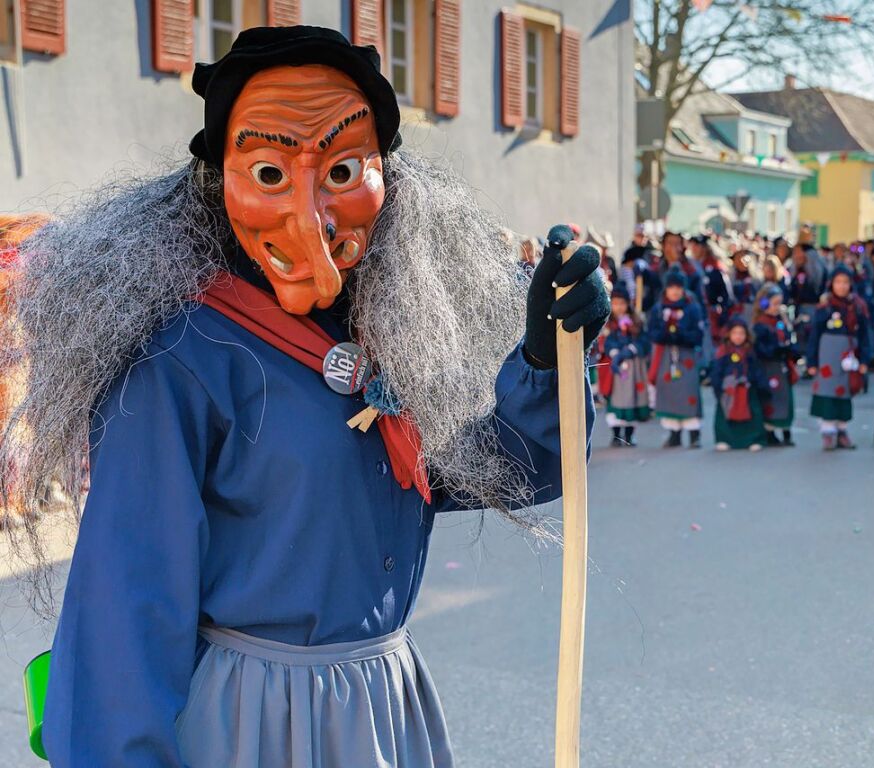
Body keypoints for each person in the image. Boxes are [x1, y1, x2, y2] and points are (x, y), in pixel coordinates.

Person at [0, 27, 611, 767]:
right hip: (249, 726)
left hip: (384, 710)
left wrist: (546, 357)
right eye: (267, 171)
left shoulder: (389, 335)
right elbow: (125, 615)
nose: (312, 212)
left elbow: (514, 467)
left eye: (345, 169)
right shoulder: (181, 359)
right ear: (214, 184)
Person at [806, 265, 871, 451]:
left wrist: (865, 359)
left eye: (845, 282)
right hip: (827, 358)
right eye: (838, 282)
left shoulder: (857, 307)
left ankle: (842, 431)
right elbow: (814, 336)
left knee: (845, 392)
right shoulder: (824, 308)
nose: (842, 286)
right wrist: (811, 361)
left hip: (847, 357)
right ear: (831, 284)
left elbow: (865, 335)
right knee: (827, 393)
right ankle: (827, 432)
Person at [647, 266, 705, 448]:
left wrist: (681, 334)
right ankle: (674, 434)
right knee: (669, 392)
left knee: (689, 392)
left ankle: (694, 434)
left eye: (678, 288)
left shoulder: (692, 308)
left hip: (686, 356)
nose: (675, 291)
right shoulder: (658, 309)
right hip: (666, 356)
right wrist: (665, 332)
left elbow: (698, 335)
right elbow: (653, 332)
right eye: (672, 287)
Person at [602, 282, 651, 447]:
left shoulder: (636, 321)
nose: (618, 307)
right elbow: (604, 342)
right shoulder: (607, 322)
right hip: (614, 368)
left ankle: (629, 435)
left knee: (632, 398)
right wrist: (614, 352)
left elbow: (645, 341)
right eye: (615, 303)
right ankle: (616, 435)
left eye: (622, 303)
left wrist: (632, 348)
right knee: (615, 398)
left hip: (633, 367)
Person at [710, 317, 769, 452]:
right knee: (725, 414)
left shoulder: (750, 351)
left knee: (753, 414)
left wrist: (761, 384)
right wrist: (717, 386)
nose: (738, 337)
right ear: (729, 334)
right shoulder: (723, 351)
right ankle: (724, 439)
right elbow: (717, 371)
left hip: (748, 387)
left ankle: (754, 439)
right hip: (728, 389)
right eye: (735, 333)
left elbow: (757, 369)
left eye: (741, 333)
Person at [752, 284, 798, 446]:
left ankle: (786, 430)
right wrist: (776, 349)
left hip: (782, 366)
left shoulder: (780, 323)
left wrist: (789, 348)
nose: (777, 307)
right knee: (771, 399)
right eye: (774, 303)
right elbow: (760, 349)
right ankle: (770, 431)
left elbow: (789, 339)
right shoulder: (761, 326)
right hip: (768, 367)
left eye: (779, 303)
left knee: (785, 398)